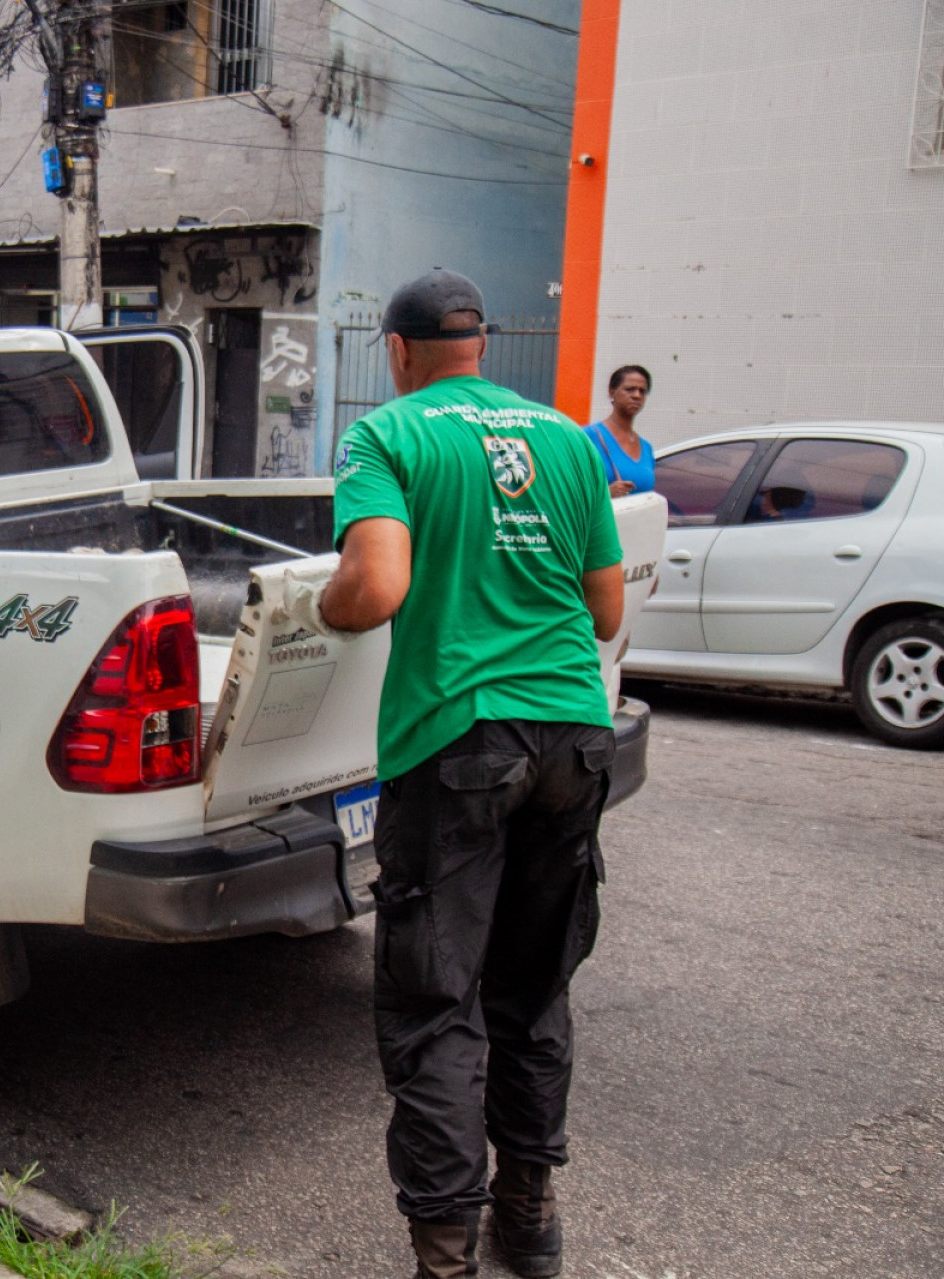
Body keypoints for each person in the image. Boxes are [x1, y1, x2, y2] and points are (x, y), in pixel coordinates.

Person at [306, 269, 624, 1278]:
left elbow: (376, 586)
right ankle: (528, 1223)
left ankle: (448, 1258)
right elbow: (606, 611)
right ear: (482, 345)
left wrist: (324, 605)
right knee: (532, 991)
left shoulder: (387, 437)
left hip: (459, 744)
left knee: (437, 1003)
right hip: (574, 732)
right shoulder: (570, 440)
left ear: (397, 352)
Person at [581, 365, 655, 497]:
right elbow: (568, 491)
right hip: (605, 517)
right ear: (612, 392)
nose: (637, 395)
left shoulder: (646, 448)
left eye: (642, 391)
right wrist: (606, 494)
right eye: (630, 389)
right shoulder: (588, 437)